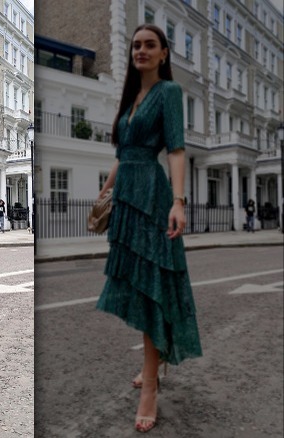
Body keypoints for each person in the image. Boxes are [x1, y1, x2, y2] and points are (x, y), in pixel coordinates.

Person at [96, 24, 202, 433]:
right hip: (126, 199)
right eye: (136, 44)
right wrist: (105, 193)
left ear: (164, 54)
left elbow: (176, 149)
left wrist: (178, 202)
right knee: (140, 287)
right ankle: (152, 363)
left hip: (153, 197)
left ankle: (150, 386)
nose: (140, 50)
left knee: (153, 286)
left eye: (149, 45)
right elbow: (123, 155)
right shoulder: (132, 99)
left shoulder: (168, 93)